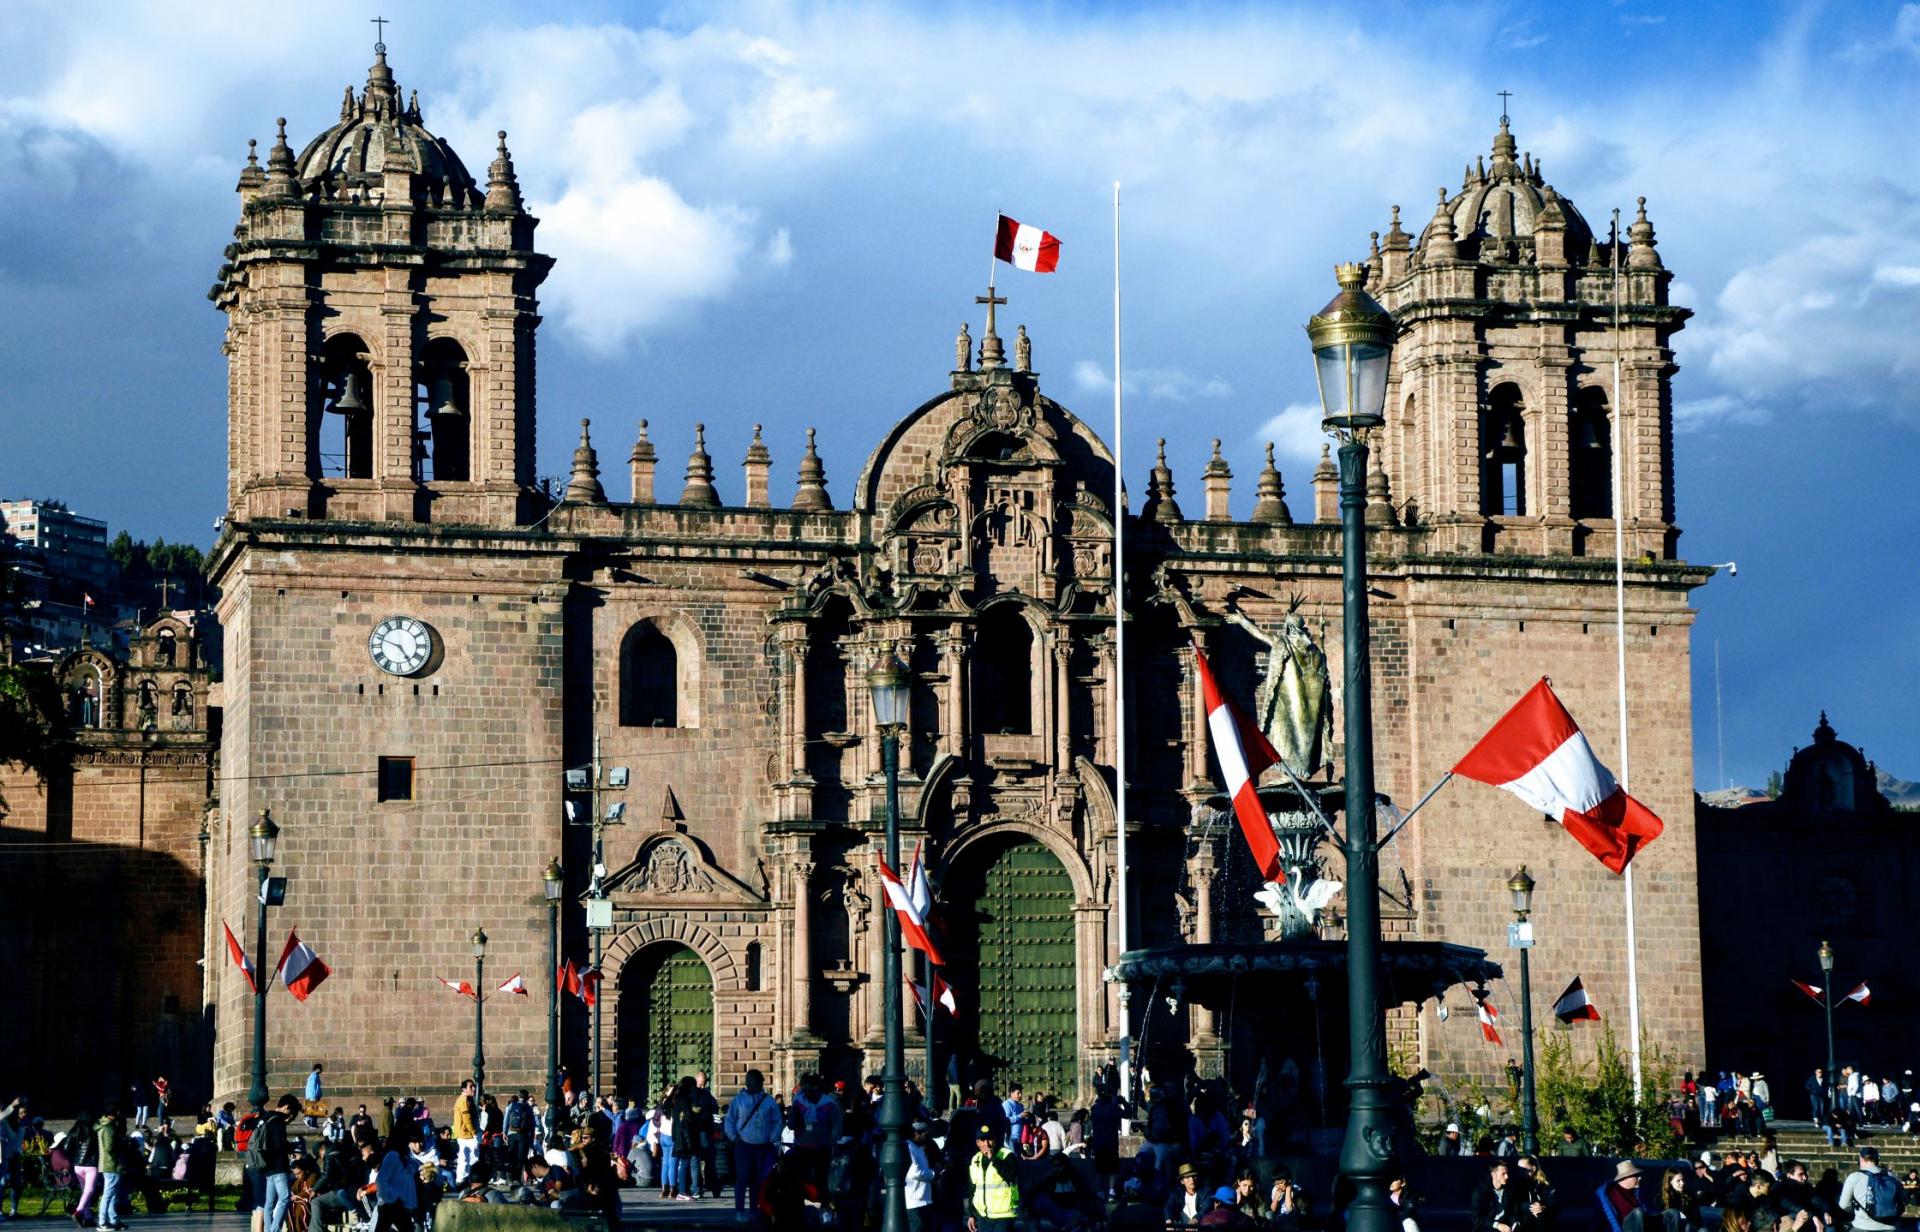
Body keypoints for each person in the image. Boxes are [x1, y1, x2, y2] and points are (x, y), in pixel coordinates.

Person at [723, 1069, 782, 1219]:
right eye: (749, 1080)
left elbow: (778, 1121)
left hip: (762, 1146)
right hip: (743, 1145)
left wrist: (772, 1138)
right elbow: (729, 1120)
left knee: (758, 1180)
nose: (751, 1084)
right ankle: (740, 1211)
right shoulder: (738, 1100)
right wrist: (733, 1137)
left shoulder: (768, 1101)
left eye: (754, 1081)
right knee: (742, 1178)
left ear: (760, 1082)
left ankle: (755, 1210)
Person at [250, 1095, 297, 1232]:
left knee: (269, 1203)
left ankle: (270, 1228)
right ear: (286, 1107)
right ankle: (274, 1230)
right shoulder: (278, 1121)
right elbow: (278, 1145)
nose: (290, 1118)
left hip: (267, 1167)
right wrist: (290, 1148)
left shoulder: (266, 1118)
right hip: (278, 1167)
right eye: (291, 1114)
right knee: (285, 1198)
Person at [964, 1124, 1021, 1232]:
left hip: (1004, 1214)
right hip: (983, 1216)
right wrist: (971, 1214)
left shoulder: (1007, 1155)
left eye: (989, 1139)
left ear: (995, 1140)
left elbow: (1010, 1175)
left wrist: (993, 1159)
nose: (987, 1144)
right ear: (977, 1143)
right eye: (983, 1140)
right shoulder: (976, 1159)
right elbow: (973, 1189)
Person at [1840, 1146, 1901, 1232]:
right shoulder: (1891, 1176)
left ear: (1861, 1159)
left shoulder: (1855, 1177)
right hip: (1890, 1227)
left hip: (1862, 1226)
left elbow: (1844, 1205)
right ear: (1877, 1159)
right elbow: (1901, 1201)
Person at [94, 1109, 128, 1232]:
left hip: (108, 1164)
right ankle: (102, 1221)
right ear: (114, 1114)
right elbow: (109, 1147)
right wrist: (121, 1143)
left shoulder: (106, 1125)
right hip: (112, 1164)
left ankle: (113, 1220)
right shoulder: (109, 1128)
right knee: (108, 1194)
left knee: (112, 1194)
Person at [1473, 1160, 1525, 1232]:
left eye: (1507, 1173)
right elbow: (1477, 1218)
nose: (1507, 1176)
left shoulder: (1510, 1191)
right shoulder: (1481, 1191)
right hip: (1487, 1227)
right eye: (1503, 1174)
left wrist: (1515, 1223)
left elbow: (1514, 1212)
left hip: (1506, 1226)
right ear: (1493, 1175)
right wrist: (1497, 1225)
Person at [1600, 1161, 1647, 1232]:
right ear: (1626, 1177)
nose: (1639, 1178)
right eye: (1636, 1175)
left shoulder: (1637, 1192)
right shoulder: (1610, 1195)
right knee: (1638, 1213)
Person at [450, 1079, 479, 1183]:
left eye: (473, 1086)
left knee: (470, 1157)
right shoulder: (463, 1100)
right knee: (468, 1157)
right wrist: (474, 1132)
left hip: (466, 1133)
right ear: (464, 1089)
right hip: (466, 1134)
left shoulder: (467, 1099)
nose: (474, 1088)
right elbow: (467, 1118)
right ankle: (463, 1179)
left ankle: (466, 1178)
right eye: (471, 1087)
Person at [1168, 1161, 1208, 1227]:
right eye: (1187, 1177)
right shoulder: (1177, 1194)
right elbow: (1169, 1206)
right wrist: (1169, 1220)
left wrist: (1196, 1219)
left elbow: (1206, 1207)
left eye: (1193, 1176)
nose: (1192, 1180)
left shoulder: (1205, 1192)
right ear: (1182, 1181)